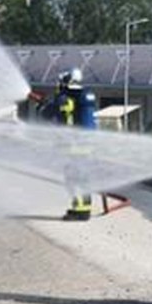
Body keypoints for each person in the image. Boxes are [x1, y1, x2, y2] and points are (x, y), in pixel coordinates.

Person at [55, 68, 97, 221]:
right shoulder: (85, 95)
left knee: (72, 178)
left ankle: (80, 211)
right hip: (88, 145)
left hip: (74, 146)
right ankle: (83, 208)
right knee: (83, 177)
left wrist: (47, 108)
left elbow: (63, 119)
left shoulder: (66, 98)